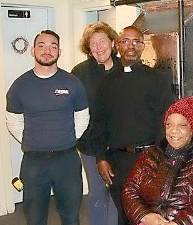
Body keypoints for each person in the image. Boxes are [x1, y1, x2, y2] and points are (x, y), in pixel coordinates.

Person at [5, 30, 89, 225]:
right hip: (34, 162)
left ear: (59, 51)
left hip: (66, 160)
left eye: (53, 46)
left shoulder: (72, 83)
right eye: (41, 46)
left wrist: (65, 138)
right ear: (33, 50)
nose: (47, 50)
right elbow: (13, 121)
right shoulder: (20, 85)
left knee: (70, 216)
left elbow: (83, 117)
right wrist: (33, 139)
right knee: (35, 218)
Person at [93, 25, 174, 225]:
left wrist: (160, 159)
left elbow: (165, 121)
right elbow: (99, 122)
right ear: (117, 45)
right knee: (123, 215)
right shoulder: (106, 82)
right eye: (126, 41)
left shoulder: (158, 79)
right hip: (117, 161)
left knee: (149, 216)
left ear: (142, 46)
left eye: (136, 41)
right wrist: (100, 158)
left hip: (149, 159)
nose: (131, 46)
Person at [121, 96, 193, 225]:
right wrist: (144, 216)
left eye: (182, 125)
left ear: (192, 129)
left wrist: (179, 223)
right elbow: (129, 189)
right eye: (169, 125)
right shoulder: (150, 155)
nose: (173, 130)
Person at [71, 22, 119, 225]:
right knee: (98, 193)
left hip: (120, 143)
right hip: (91, 143)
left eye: (102, 41)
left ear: (112, 42)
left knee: (118, 194)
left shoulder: (124, 67)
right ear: (88, 48)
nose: (99, 47)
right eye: (93, 43)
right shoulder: (80, 72)